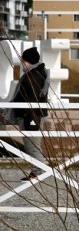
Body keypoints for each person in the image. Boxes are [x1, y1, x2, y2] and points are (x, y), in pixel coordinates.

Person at [3, 47, 48, 181]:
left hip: (31, 116)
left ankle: (39, 172)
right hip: (32, 115)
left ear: (28, 61)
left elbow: (32, 99)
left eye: (23, 59)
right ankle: (37, 171)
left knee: (32, 146)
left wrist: (32, 120)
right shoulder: (36, 74)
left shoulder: (33, 77)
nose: (22, 62)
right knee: (32, 146)